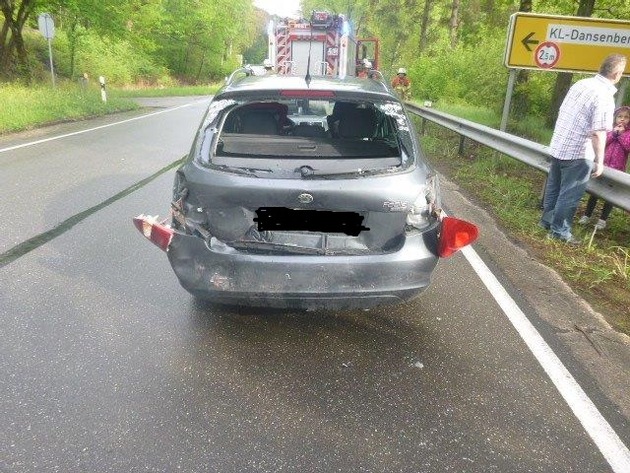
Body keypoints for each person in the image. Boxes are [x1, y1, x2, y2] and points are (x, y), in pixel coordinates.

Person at [540, 53, 627, 245]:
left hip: (559, 145)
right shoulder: (604, 96)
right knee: (569, 194)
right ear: (617, 73)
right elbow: (598, 132)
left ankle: (546, 222)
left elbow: (563, 112)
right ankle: (560, 232)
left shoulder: (581, 84)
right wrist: (600, 161)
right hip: (579, 151)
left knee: (554, 188)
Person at [577, 105, 630, 230]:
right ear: (615, 118)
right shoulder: (610, 130)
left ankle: (602, 220)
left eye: (626, 117)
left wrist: (621, 135)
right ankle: (587, 215)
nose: (622, 120)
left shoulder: (628, 134)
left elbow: (628, 147)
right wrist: (614, 134)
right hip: (603, 166)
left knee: (610, 195)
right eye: (620, 117)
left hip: (618, 168)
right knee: (595, 192)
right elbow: (602, 142)